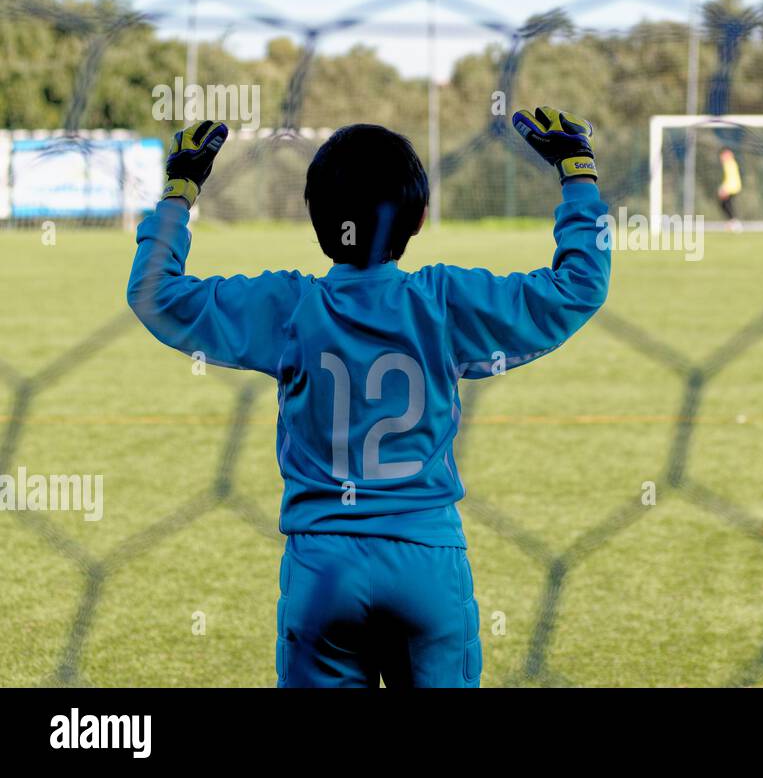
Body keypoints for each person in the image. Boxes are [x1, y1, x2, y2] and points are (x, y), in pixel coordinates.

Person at [126, 110, 610, 687]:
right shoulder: (443, 303)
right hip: (426, 562)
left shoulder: (289, 308)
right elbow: (579, 287)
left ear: (316, 220)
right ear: (420, 218)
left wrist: (180, 189)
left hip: (323, 568)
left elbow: (154, 292)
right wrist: (577, 172)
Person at [717, 147, 743, 233]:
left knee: (726, 205)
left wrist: (725, 189)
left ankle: (734, 223)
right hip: (732, 187)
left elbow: (731, 178)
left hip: (732, 187)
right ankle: (733, 222)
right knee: (726, 205)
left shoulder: (729, 164)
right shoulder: (729, 163)